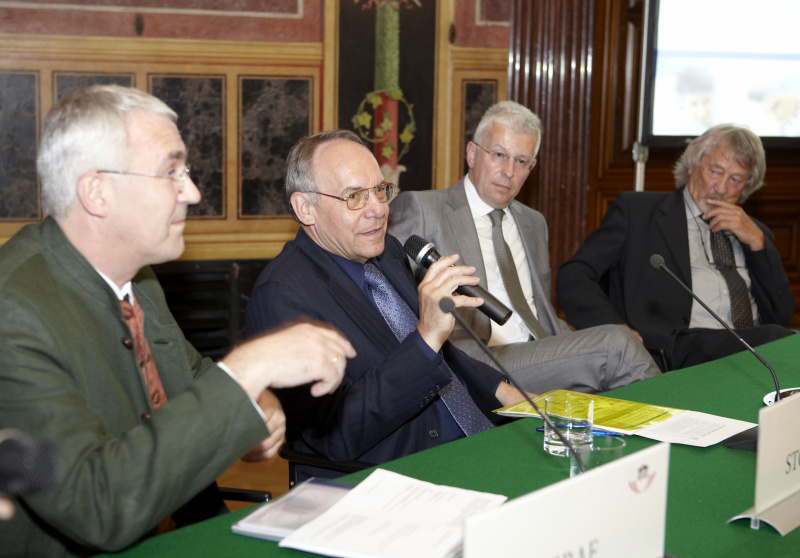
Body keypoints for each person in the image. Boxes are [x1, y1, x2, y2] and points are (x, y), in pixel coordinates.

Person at [0, 85, 354, 556]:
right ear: (96, 192)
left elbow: (190, 380)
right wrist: (249, 369)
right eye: (171, 172)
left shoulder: (139, 278)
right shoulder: (13, 309)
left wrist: (257, 402)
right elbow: (96, 507)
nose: (193, 191)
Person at [246, 130, 528, 481]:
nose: (378, 210)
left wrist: (519, 398)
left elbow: (444, 355)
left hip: (473, 440)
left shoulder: (389, 253)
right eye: (354, 197)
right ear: (306, 208)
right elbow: (335, 435)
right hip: (394, 474)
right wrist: (426, 335)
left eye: (380, 190)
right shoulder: (282, 294)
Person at [389, 101, 660, 392]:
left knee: (621, 343)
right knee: (615, 345)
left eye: (521, 161)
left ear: (531, 167)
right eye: (498, 155)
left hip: (540, 350)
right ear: (471, 153)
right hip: (477, 361)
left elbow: (540, 313)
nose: (508, 171)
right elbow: (387, 301)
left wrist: (585, 341)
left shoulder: (533, 222)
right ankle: (679, 425)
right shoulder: (423, 208)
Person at [556, 124, 794, 370]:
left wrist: (759, 244)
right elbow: (574, 276)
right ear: (692, 165)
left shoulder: (754, 233)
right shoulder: (638, 213)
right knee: (779, 341)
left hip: (752, 349)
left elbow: (781, 315)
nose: (722, 189)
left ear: (746, 187)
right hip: (676, 349)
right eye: (715, 171)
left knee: (782, 342)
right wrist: (615, 330)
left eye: (735, 179)